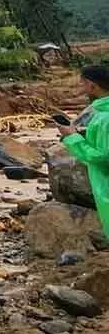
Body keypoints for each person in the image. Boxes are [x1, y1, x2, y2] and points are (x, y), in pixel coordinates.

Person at [59, 64, 109, 238]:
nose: (81, 88)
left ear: (91, 85)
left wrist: (72, 137)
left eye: (82, 84)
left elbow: (103, 157)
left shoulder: (103, 117)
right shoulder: (101, 114)